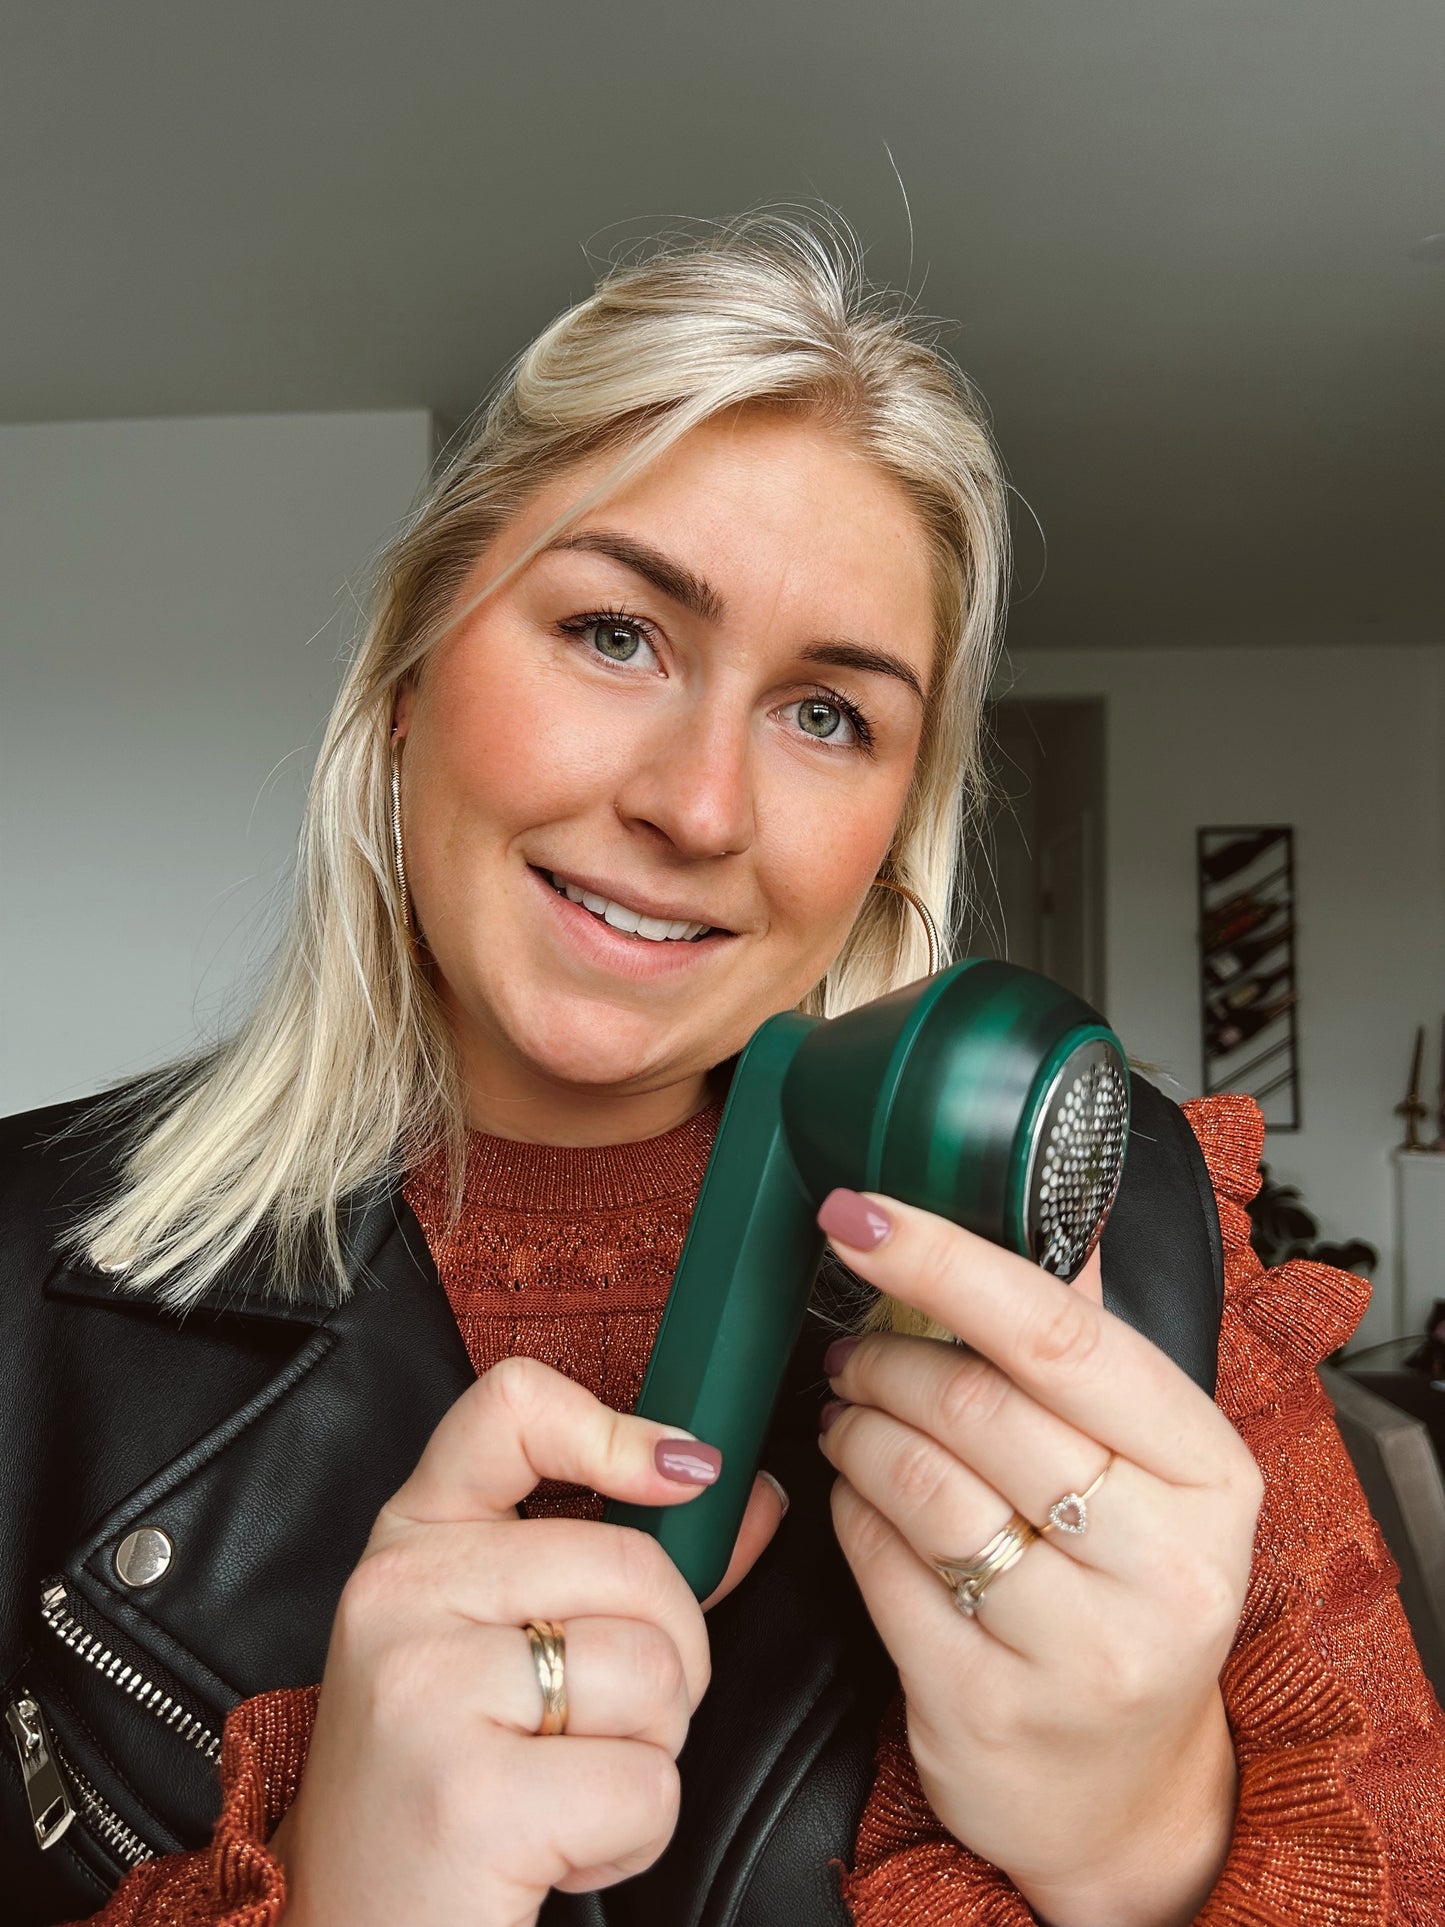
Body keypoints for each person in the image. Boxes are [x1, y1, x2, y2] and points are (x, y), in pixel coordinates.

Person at [3, 215, 1442, 1927]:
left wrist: (1139, 1834)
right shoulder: (26, 1277)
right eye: (616, 633)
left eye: (827, 714)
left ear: (887, 835)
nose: (698, 808)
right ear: (406, 683)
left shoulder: (1131, 1242)